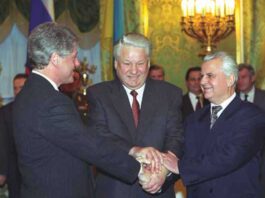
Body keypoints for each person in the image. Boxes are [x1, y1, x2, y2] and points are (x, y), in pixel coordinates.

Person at [12, 22, 160, 198]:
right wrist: (141, 170)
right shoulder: (50, 101)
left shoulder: (31, 93)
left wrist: (133, 151)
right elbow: (90, 146)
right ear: (55, 58)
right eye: (73, 57)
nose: (76, 64)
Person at [86, 33, 184, 198]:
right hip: (114, 192)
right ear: (116, 64)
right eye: (127, 63)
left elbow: (177, 137)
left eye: (140, 63)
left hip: (159, 190)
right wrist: (134, 150)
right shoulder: (99, 94)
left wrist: (165, 171)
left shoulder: (170, 94)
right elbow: (98, 136)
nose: (134, 70)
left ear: (148, 63)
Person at [163, 52, 265, 198]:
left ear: (230, 79)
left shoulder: (253, 116)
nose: (202, 82)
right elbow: (182, 155)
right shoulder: (193, 119)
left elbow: (229, 157)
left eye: (210, 76)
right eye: (202, 76)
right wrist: (160, 178)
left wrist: (181, 167)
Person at [237, 63, 265, 197]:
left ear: (252, 78)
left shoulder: (263, 97)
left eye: (243, 77)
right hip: (239, 158)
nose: (240, 81)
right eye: (238, 78)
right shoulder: (231, 99)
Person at [0, 73, 28, 198]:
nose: (17, 91)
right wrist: (2, 172)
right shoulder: (6, 112)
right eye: (15, 88)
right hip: (14, 170)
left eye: (21, 87)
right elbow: (3, 144)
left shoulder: (40, 109)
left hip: (38, 169)